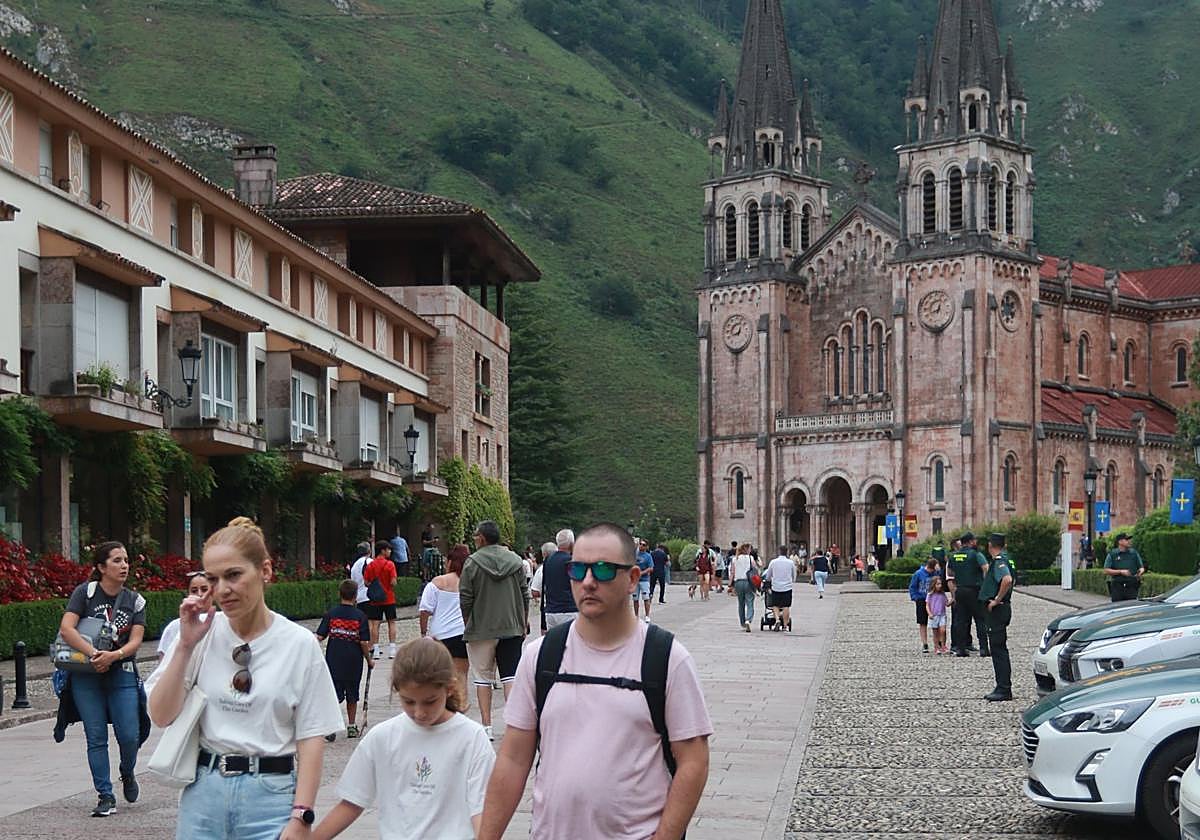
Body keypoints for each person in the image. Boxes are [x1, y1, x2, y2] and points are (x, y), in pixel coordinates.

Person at [476, 523, 712, 840]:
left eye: (602, 571)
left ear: (632, 579)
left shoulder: (666, 658)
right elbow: (513, 759)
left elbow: (693, 761)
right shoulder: (541, 656)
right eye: (578, 570)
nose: (588, 582)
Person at [146, 517, 342, 840]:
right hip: (204, 793)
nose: (223, 589)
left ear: (264, 571)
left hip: (271, 796)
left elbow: (311, 737)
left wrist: (301, 817)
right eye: (213, 579)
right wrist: (184, 645)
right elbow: (161, 714)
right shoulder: (201, 634)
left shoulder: (299, 644)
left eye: (234, 575)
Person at [311, 638, 495, 840]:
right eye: (409, 702)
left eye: (430, 701)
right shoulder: (382, 737)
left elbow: (482, 813)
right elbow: (351, 802)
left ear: (449, 688)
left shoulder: (472, 739)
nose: (419, 712)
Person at [58, 541, 147, 817]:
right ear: (101, 567)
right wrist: (95, 654)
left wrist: (114, 655)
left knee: (129, 735)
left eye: (126, 560)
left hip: (121, 672)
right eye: (117, 560)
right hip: (87, 673)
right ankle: (105, 795)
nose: (124, 565)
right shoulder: (85, 593)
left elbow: (136, 641)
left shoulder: (135, 600)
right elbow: (67, 629)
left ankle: (127, 771)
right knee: (95, 735)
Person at [459, 520, 530, 740]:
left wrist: (468, 620)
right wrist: (523, 621)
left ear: (481, 538)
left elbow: (465, 597)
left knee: (482, 678)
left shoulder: (472, 563)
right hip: (511, 626)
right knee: (510, 677)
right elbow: (525, 594)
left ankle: (487, 727)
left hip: (481, 629)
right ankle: (513, 726)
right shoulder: (516, 561)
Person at [316, 579, 373, 739]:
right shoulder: (360, 616)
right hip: (354, 661)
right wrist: (369, 659)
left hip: (334, 659)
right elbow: (363, 642)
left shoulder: (331, 614)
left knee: (333, 694)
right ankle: (352, 725)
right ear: (355, 596)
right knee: (352, 693)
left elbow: (319, 636)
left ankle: (330, 727)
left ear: (339, 594)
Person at [419, 543, 471, 710]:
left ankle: (442, 708)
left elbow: (425, 610)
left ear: (449, 561)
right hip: (463, 634)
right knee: (461, 675)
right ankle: (461, 708)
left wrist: (423, 631)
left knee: (439, 675)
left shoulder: (438, 582)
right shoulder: (470, 582)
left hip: (440, 636)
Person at [980, 533, 1015, 701]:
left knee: (998, 650)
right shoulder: (1007, 558)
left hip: (998, 610)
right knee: (999, 649)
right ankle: (1003, 686)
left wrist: (996, 600)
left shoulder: (1000, 560)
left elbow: (1006, 580)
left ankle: (1003, 688)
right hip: (1002, 609)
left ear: (990, 545)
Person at [948, 533, 989, 657]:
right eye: (975, 540)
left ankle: (961, 649)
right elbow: (986, 568)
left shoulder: (953, 556)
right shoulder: (976, 554)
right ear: (970, 541)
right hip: (975, 590)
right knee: (980, 620)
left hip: (960, 590)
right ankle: (984, 649)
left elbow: (950, 573)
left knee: (961, 621)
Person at [159, 571, 211, 660]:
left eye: (204, 589)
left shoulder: (224, 622)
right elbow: (163, 665)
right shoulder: (174, 627)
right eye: (194, 591)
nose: (200, 594)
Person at [364, 541, 399, 659]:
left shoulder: (370, 565)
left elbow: (366, 582)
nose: (390, 552)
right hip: (389, 598)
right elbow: (393, 582)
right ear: (383, 550)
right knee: (391, 622)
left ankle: (376, 649)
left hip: (375, 599)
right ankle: (392, 649)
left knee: (375, 624)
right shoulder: (390, 565)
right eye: (388, 550)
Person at [541, 529, 577, 629]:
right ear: (571, 543)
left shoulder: (548, 559)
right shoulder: (570, 561)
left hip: (551, 611)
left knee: (555, 642)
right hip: (568, 609)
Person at [908, 558, 940, 654]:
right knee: (923, 622)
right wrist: (915, 598)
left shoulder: (936, 573)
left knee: (936, 621)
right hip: (922, 599)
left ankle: (937, 643)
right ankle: (925, 643)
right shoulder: (918, 574)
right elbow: (912, 586)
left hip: (934, 600)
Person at [1104, 532, 1145, 602]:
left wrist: (1140, 572)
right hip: (1117, 586)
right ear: (1120, 542)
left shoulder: (1134, 553)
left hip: (1132, 585)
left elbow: (1141, 567)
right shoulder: (1113, 554)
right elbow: (1106, 570)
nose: (1129, 541)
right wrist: (1120, 572)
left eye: (1129, 539)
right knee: (1117, 607)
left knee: (1131, 607)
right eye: (1126, 539)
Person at [729, 543, 760, 631]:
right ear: (747, 550)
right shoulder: (750, 558)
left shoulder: (735, 559)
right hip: (748, 582)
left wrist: (730, 585)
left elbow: (732, 572)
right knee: (750, 602)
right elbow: (755, 570)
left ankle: (742, 623)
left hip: (738, 582)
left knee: (741, 603)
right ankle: (748, 620)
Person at [764, 546, 795, 631]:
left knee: (775, 605)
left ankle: (777, 620)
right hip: (787, 587)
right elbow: (794, 576)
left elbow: (768, 575)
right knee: (786, 606)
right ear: (787, 552)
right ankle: (785, 625)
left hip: (776, 587)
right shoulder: (790, 562)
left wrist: (769, 581)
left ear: (779, 552)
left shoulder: (773, 562)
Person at [926, 575, 950, 654]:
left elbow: (946, 603)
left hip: (942, 615)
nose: (939, 586)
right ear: (933, 585)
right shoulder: (930, 595)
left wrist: (952, 601)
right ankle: (936, 647)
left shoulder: (942, 594)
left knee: (943, 630)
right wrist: (929, 613)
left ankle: (943, 645)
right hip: (934, 616)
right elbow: (927, 605)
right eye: (937, 584)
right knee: (935, 632)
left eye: (940, 584)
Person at [632, 539, 654, 622]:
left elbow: (651, 568)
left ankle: (647, 615)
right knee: (635, 598)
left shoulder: (648, 556)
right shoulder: (634, 555)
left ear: (647, 547)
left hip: (644, 580)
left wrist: (642, 573)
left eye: (643, 545)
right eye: (640, 544)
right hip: (635, 580)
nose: (641, 546)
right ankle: (636, 616)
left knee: (646, 597)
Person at [348, 541, 372, 615]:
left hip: (359, 598)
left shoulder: (354, 565)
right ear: (369, 551)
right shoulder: (370, 562)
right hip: (370, 596)